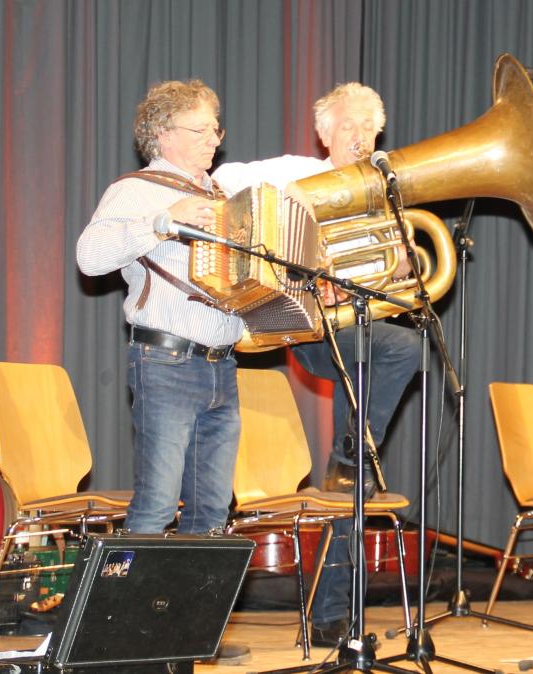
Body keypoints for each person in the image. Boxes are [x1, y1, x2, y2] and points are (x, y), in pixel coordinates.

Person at [215, 83, 421, 647]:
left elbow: (398, 274)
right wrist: (301, 252)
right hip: (311, 329)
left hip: (360, 329)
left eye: (369, 129)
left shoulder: (386, 189)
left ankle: (332, 612)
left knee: (348, 492)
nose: (359, 137)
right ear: (324, 133)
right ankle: (356, 456)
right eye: (348, 126)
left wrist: (399, 263)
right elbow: (225, 180)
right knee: (404, 349)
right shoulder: (294, 170)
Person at [76, 79, 250, 665]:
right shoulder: (137, 190)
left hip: (222, 369)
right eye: (201, 130)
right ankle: (121, 637)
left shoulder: (224, 193)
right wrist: (160, 222)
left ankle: (187, 634)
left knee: (211, 513)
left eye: (216, 128)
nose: (215, 141)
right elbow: (88, 257)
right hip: (165, 361)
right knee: (153, 508)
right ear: (163, 135)